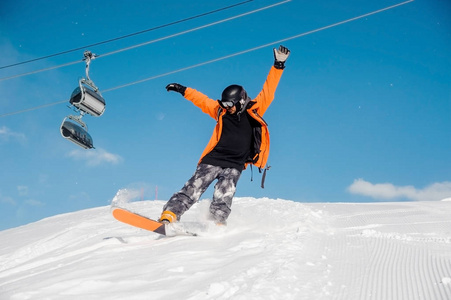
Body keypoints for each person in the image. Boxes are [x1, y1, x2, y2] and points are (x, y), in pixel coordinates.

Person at [159, 45, 290, 225]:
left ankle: (217, 223)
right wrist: (183, 90)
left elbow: (269, 89)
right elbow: (202, 100)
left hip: (235, 164)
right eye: (224, 103)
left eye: (230, 104)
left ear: (241, 101)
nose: (227, 107)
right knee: (193, 187)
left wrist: (278, 65)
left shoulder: (254, 110)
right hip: (213, 159)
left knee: (224, 194)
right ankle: (170, 215)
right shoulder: (220, 111)